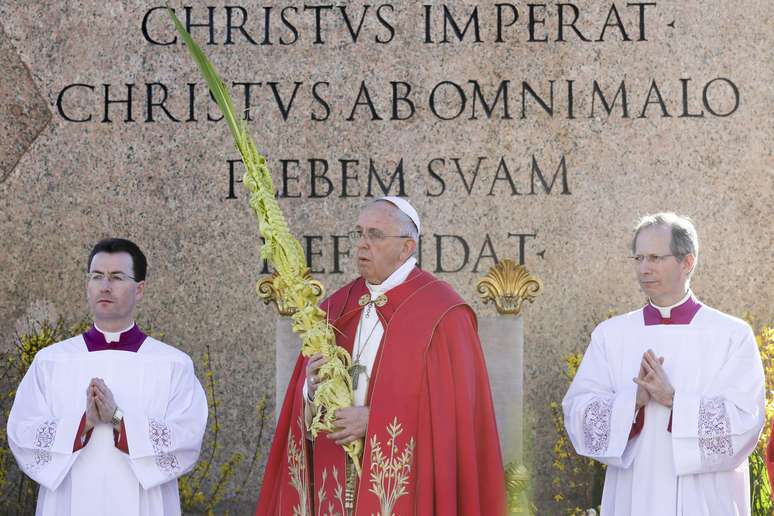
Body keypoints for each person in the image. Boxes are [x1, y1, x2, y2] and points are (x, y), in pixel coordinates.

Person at [256, 197, 506, 515]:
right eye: (359, 234)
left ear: (406, 247)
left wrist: (374, 421)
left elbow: (452, 416)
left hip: (410, 486)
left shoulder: (443, 314)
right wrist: (311, 391)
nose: (362, 245)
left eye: (375, 235)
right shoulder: (337, 307)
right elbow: (302, 405)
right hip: (336, 479)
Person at [563, 213, 765, 516]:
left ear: (687, 262)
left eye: (656, 257)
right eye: (639, 258)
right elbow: (579, 415)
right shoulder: (611, 335)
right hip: (634, 490)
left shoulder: (730, 335)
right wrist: (633, 401)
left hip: (704, 497)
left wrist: (674, 400)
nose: (644, 268)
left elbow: (746, 421)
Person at [7, 238, 208, 516]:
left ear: (139, 290)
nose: (105, 286)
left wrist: (117, 418)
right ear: (87, 286)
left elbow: (186, 439)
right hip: (67, 503)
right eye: (97, 276)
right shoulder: (51, 361)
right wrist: (84, 422)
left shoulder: (172, 364)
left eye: (116, 277)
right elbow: (23, 434)